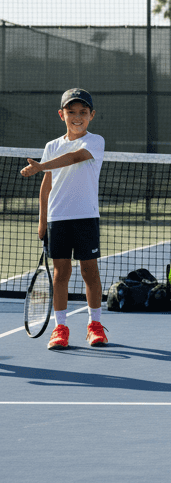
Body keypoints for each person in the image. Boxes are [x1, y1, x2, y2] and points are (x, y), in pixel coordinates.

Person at [20, 88, 108, 349]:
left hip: (86, 217)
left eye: (83, 112)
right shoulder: (51, 146)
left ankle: (95, 326)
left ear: (92, 115)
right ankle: (60, 328)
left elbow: (75, 157)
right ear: (62, 115)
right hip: (58, 219)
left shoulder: (95, 141)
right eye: (71, 112)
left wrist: (41, 165)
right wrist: (42, 220)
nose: (77, 117)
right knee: (60, 274)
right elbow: (46, 187)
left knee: (89, 271)